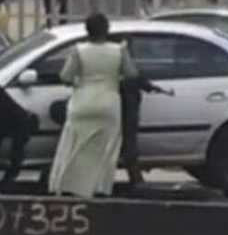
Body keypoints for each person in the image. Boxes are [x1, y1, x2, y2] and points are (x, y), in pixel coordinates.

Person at [48, 13, 161, 198]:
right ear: (107, 30)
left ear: (87, 31)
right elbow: (131, 73)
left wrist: (79, 82)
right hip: (109, 103)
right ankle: (98, 188)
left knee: (74, 145)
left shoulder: (79, 50)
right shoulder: (119, 50)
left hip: (82, 102)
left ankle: (67, 185)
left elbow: (65, 77)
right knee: (105, 150)